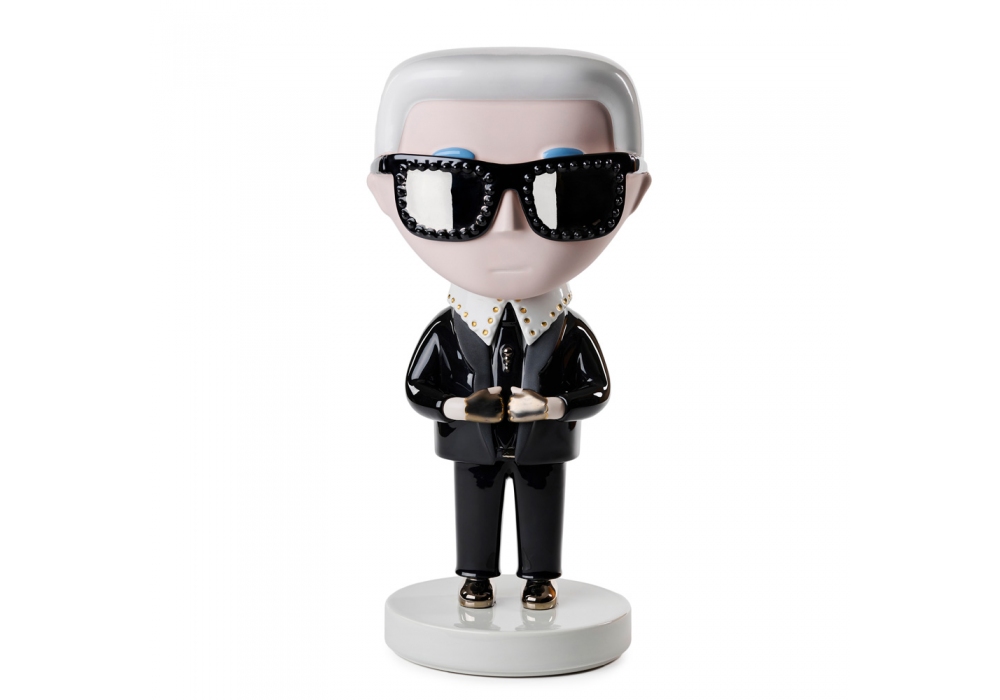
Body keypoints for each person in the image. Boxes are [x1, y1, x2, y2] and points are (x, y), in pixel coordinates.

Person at [367, 48, 652, 609]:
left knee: (543, 505)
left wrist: (549, 407)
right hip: (471, 444)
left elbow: (596, 389)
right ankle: (475, 575)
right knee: (473, 505)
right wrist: (457, 407)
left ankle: (539, 577)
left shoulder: (567, 331)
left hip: (542, 445)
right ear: (387, 195)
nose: (507, 224)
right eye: (453, 190)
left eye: (567, 189)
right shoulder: (449, 330)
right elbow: (418, 388)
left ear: (632, 195)